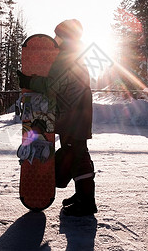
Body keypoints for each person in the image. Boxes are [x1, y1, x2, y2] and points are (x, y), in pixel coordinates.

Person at [17, 19, 97, 216]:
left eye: (58, 36)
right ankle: (83, 196)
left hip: (74, 113)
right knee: (77, 151)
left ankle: (86, 201)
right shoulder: (75, 54)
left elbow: (54, 85)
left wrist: (29, 81)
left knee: (76, 152)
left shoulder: (67, 57)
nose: (54, 40)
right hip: (77, 111)